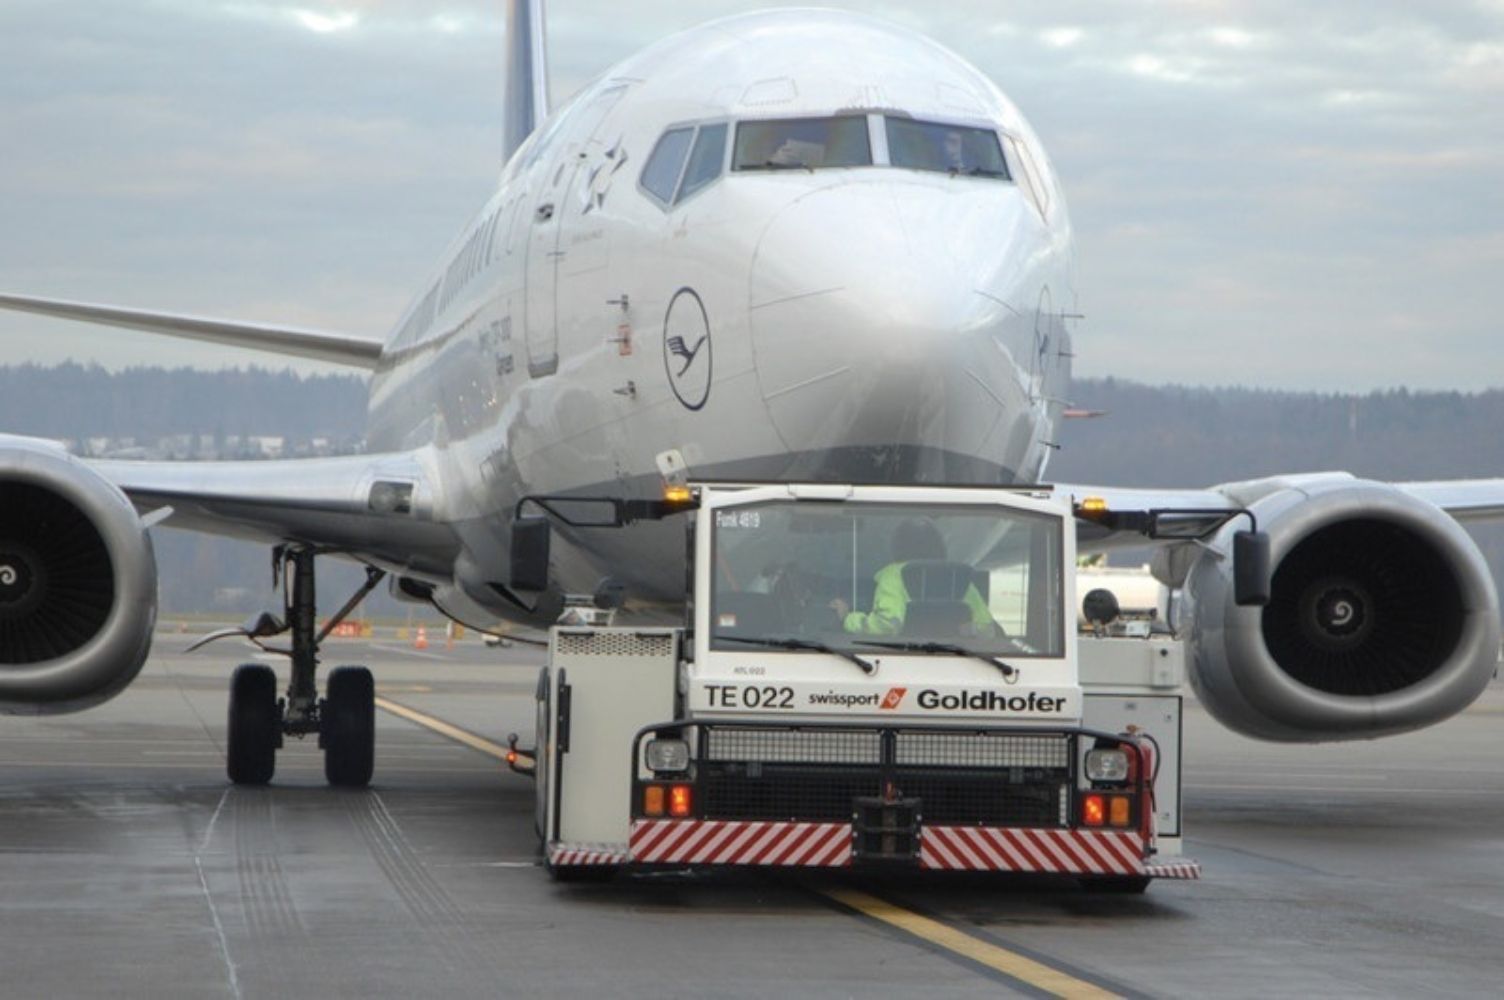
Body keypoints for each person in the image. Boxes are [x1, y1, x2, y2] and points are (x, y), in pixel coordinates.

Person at [830, 519, 994, 636]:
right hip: (958, 665)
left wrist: (848, 619)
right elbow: (987, 629)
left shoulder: (893, 575)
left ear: (897, 547)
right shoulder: (956, 577)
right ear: (939, 547)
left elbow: (887, 625)